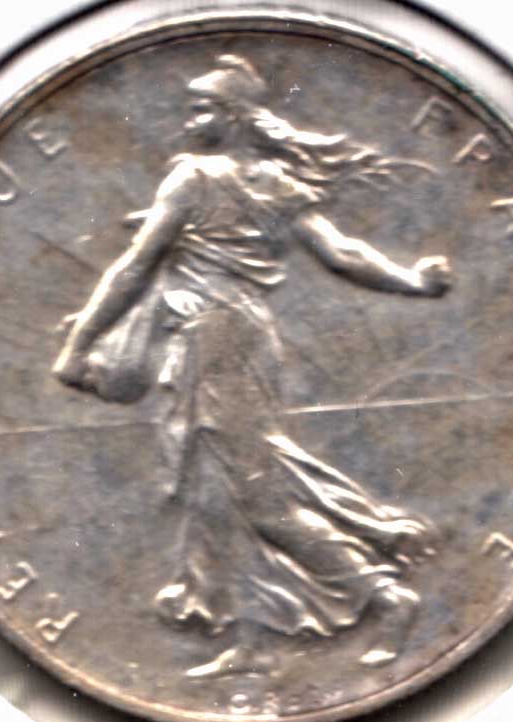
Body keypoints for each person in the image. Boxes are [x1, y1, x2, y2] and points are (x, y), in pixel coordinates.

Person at [53, 55, 450, 677]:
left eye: (202, 109)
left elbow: (134, 266)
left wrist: (79, 343)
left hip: (212, 340)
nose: (190, 121)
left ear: (235, 117)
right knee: (219, 498)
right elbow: (343, 254)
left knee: (251, 495)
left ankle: (384, 594)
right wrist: (414, 281)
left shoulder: (194, 178)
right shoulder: (275, 183)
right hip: (236, 336)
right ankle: (251, 639)